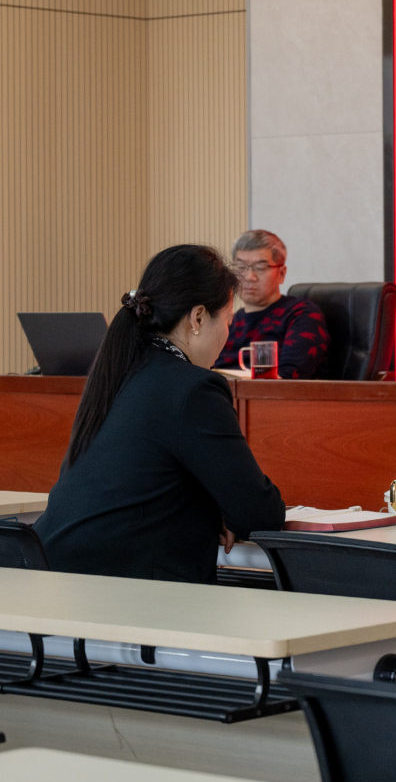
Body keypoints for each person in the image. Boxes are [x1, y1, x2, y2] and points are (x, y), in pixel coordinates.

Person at [35, 245, 286, 583]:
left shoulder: (119, 372)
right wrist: (222, 511)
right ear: (198, 318)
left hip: (53, 577)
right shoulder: (193, 389)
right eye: (228, 320)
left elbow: (146, 479)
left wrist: (210, 510)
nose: (227, 335)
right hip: (124, 592)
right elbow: (259, 513)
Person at [211, 229, 329, 379]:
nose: (249, 277)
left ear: (281, 274)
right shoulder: (230, 321)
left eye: (260, 268)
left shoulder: (302, 315)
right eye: (241, 267)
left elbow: (289, 377)